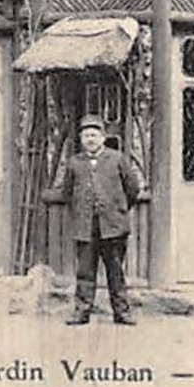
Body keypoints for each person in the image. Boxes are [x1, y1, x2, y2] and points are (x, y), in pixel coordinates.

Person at [44, 114, 148, 326]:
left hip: (113, 227)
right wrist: (82, 213)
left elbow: (133, 190)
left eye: (94, 134)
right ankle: (81, 312)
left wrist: (118, 211)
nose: (90, 139)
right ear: (81, 139)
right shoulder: (74, 163)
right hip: (86, 227)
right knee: (85, 272)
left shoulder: (117, 159)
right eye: (86, 135)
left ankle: (122, 313)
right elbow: (67, 193)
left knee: (115, 271)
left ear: (103, 137)